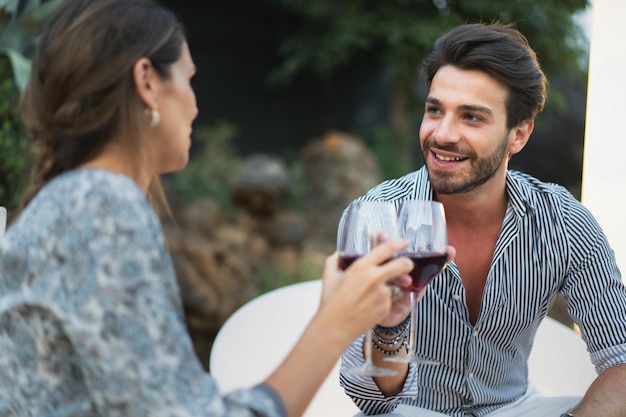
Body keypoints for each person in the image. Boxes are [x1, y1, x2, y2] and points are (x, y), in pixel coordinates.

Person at [0, 1, 415, 416]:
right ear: (146, 80)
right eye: (188, 78)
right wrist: (336, 323)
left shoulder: (61, 206)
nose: (196, 105)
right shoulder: (100, 205)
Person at [339, 22, 626, 417]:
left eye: (471, 117)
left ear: (519, 135)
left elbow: (621, 359)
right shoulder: (378, 215)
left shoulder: (563, 223)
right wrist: (390, 326)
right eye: (434, 109)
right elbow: (373, 396)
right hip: (411, 410)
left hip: (516, 408)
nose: (442, 134)